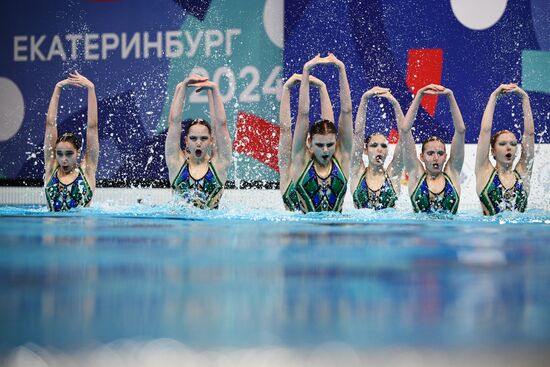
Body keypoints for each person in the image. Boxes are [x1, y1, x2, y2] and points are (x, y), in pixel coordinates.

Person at [291, 54, 353, 213]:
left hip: (338, 235)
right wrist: (306, 71)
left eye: (330, 144)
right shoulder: (301, 160)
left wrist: (341, 68)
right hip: (305, 235)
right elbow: (302, 114)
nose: (326, 150)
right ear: (309, 143)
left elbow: (346, 111)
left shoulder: (342, 157)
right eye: (319, 145)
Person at [165, 75, 232, 209]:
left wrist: (214, 88)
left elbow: (221, 125)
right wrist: (183, 86)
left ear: (211, 140)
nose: (198, 143)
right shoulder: (176, 163)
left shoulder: (219, 164)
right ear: (186, 141)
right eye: (193, 138)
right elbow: (173, 123)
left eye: (204, 138)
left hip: (211, 229)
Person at [400, 84, 466, 214]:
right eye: (430, 153)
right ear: (422, 157)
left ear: (445, 157)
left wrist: (450, 96)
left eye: (440, 153)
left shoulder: (452, 173)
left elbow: (461, 130)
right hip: (421, 234)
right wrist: (419, 95)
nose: (436, 157)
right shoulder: (416, 174)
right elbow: (405, 130)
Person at [475, 84, 534, 215]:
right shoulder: (484, 172)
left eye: (513, 144)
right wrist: (493, 96)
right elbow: (485, 131)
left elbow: (529, 134)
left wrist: (524, 98)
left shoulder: (523, 173)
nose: (509, 147)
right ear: (493, 151)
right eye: (502, 144)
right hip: (491, 233)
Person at [44, 72, 99, 212]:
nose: (63, 159)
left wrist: (91, 89)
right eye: (59, 154)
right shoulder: (51, 169)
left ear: (77, 152)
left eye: (69, 154)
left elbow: (92, 127)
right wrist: (58, 87)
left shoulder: (87, 170)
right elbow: (50, 124)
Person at [279, 73, 334, 211]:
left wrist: (322, 87)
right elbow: (285, 130)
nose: (324, 148)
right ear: (309, 142)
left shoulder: (329, 164)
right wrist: (286, 89)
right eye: (319, 144)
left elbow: (329, 127)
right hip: (295, 231)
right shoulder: (288, 169)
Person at [350, 87, 405, 210]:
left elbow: (404, 135)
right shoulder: (357, 171)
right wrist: (364, 99)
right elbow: (358, 133)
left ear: (387, 151)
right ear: (365, 150)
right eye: (374, 145)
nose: (379, 149)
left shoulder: (393, 173)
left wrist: (395, 104)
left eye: (383, 145)